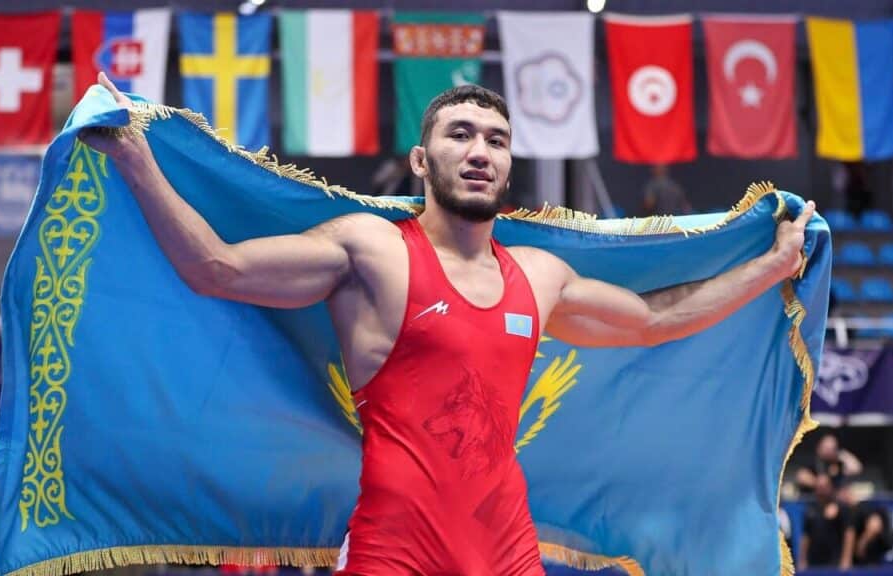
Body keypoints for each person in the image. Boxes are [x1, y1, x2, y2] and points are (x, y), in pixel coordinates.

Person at [81, 72, 815, 575]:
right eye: (460, 134)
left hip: (507, 552)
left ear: (508, 166)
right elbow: (218, 268)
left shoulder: (540, 276)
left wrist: (774, 266)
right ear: (420, 159)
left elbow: (655, 318)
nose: (479, 152)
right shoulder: (372, 251)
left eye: (496, 140)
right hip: (393, 553)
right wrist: (135, 156)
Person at [798, 474, 855, 571]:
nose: (821, 490)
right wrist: (802, 560)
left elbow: (849, 533)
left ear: (831, 487)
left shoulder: (841, 508)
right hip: (814, 564)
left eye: (824, 487)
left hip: (834, 563)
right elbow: (806, 537)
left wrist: (846, 559)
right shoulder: (810, 510)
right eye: (819, 487)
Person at [796, 432, 863, 494]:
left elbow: (857, 468)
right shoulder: (813, 460)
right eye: (826, 448)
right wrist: (817, 483)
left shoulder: (839, 463)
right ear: (819, 447)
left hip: (834, 498)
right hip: (812, 498)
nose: (828, 451)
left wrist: (841, 454)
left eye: (832, 448)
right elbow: (801, 476)